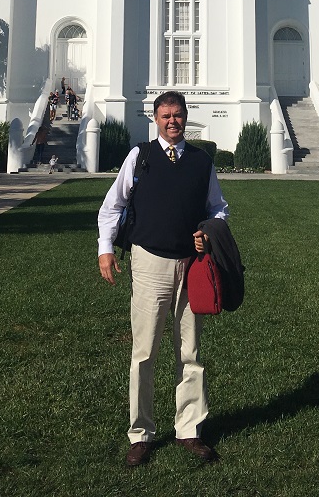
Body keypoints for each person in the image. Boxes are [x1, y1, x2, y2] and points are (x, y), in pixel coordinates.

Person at [97, 91, 228, 468]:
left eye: (178, 115)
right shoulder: (141, 156)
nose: (173, 121)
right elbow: (113, 205)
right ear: (155, 119)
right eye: (166, 115)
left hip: (191, 266)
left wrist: (209, 231)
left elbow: (217, 207)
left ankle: (189, 429)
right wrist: (106, 248)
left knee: (190, 352)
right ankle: (141, 434)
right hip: (150, 262)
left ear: (186, 117)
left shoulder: (201, 162)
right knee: (145, 351)